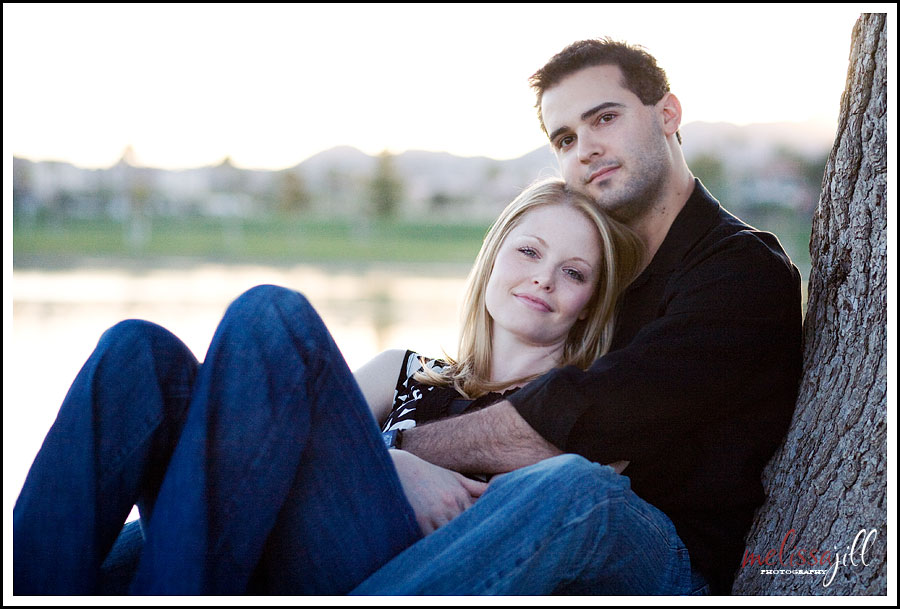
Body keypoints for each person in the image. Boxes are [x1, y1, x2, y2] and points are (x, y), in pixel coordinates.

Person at [13, 177, 645, 595]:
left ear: (590, 305)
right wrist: (394, 461)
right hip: (277, 539)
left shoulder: (576, 405)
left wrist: (395, 463)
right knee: (137, 350)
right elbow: (271, 440)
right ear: (494, 258)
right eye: (529, 252)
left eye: (573, 272)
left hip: (397, 565)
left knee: (272, 317)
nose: (543, 278)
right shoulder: (404, 369)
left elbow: (536, 525)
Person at [348, 39, 803, 595]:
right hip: (528, 536)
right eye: (565, 139)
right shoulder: (604, 272)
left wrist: (394, 451)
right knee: (278, 321)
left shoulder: (740, 271)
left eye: (604, 118)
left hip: (659, 558)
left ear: (668, 114)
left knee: (575, 485)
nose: (585, 149)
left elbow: (591, 417)